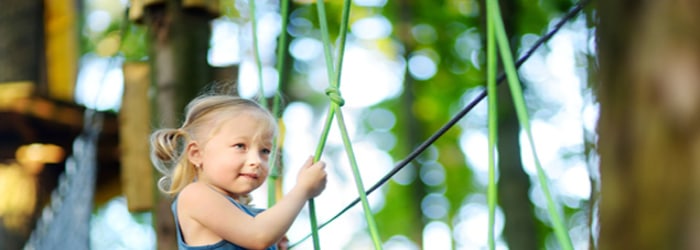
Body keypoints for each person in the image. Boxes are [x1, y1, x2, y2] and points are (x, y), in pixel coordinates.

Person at [150, 94, 327, 250]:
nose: (256, 161)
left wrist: (275, 243)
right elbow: (258, 236)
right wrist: (303, 189)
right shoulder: (195, 194)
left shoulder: (246, 216)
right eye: (240, 146)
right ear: (196, 154)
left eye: (265, 151)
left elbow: (261, 236)